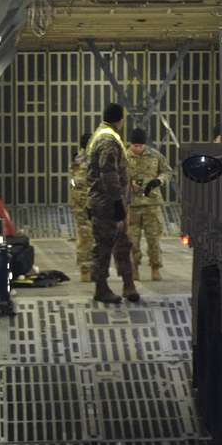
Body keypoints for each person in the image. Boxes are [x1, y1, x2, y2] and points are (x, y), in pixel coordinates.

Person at [86, 103, 139, 304]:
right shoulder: (108, 140)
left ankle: (128, 284)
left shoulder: (101, 134)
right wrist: (117, 202)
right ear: (120, 119)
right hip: (107, 204)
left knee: (123, 244)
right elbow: (109, 174)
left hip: (109, 202)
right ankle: (101, 288)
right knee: (104, 247)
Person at [124, 126, 172, 281]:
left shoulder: (155, 155)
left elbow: (167, 171)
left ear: (144, 144)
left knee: (154, 239)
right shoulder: (123, 157)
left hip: (152, 203)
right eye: (135, 145)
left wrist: (159, 180)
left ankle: (155, 268)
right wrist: (129, 184)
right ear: (131, 144)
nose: (137, 148)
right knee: (132, 241)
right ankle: (134, 269)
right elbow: (116, 175)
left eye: (140, 145)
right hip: (132, 205)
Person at [69, 132, 94, 282]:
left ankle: (86, 270)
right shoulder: (90, 159)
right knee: (88, 236)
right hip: (88, 203)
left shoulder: (77, 159)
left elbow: (73, 182)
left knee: (84, 236)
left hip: (80, 203)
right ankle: (87, 269)